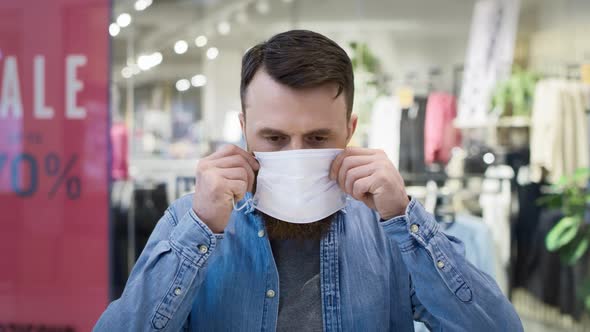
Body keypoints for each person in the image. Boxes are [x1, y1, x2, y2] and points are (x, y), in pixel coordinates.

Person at [94, 30, 523, 331]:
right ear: (245, 130)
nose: (295, 154)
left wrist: (406, 219)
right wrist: (200, 232)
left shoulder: (388, 231)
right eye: (274, 138)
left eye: (318, 138)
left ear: (350, 130)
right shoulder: (193, 222)